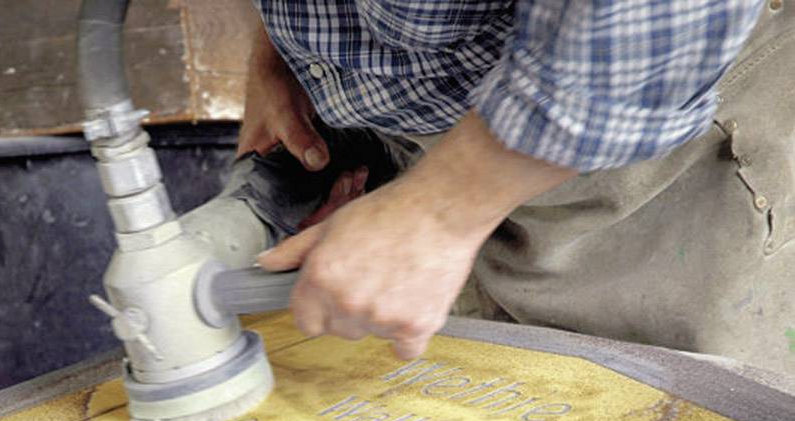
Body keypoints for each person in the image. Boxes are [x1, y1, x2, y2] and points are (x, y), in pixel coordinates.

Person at [241, 0, 795, 378]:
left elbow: (665, 23)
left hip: (644, 115)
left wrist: (438, 213)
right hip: (445, 146)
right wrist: (285, 46)